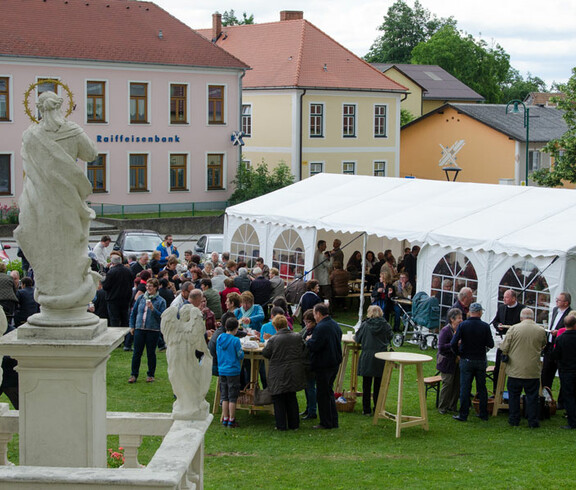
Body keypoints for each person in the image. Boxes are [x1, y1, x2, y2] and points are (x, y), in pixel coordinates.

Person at [16, 91, 100, 321]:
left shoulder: (30, 135)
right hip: (67, 200)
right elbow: (91, 153)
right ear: (59, 107)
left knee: (47, 244)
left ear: (39, 109)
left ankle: (52, 288)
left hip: (40, 202)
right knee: (71, 242)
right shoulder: (71, 130)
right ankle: (66, 289)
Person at [499, 308, 547, 428]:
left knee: (514, 396)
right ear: (533, 317)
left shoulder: (513, 329)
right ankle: (532, 421)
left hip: (515, 369)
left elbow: (504, 347)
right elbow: (543, 344)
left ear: (521, 318)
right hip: (532, 370)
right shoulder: (540, 330)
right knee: (532, 396)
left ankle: (514, 419)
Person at [451, 303, 494, 422]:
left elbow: (453, 343)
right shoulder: (485, 326)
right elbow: (491, 344)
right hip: (480, 359)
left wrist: (459, 353)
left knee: (465, 387)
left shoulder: (463, 325)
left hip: (466, 359)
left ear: (469, 312)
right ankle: (483, 413)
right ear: (480, 312)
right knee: (482, 387)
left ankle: (463, 414)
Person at [262, 314, 307, 431]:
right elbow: (303, 348)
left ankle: (281, 425)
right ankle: (294, 424)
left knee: (278, 398)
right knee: (291, 397)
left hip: (278, 372)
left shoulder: (273, 340)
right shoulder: (297, 336)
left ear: (275, 327)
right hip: (294, 371)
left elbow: (266, 353)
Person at [306, 303, 342, 429]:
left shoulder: (321, 327)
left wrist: (309, 340)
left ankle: (326, 422)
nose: (314, 317)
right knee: (328, 392)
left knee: (323, 394)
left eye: (315, 314)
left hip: (324, 364)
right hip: (334, 362)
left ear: (319, 314)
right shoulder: (334, 324)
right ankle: (333, 420)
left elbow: (315, 346)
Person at [354, 305, 393, 415]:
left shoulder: (365, 325)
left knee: (366, 385)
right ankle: (377, 407)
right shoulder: (385, 325)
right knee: (378, 384)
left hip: (367, 356)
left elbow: (357, 338)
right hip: (381, 356)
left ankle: (366, 409)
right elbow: (390, 336)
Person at [128, 278, 167, 383]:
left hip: (153, 330)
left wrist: (152, 309)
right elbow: (134, 313)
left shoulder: (161, 301)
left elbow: (162, 316)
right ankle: (133, 374)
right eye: (147, 286)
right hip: (139, 328)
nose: (148, 288)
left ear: (155, 287)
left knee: (151, 353)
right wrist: (132, 326)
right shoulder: (141, 298)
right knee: (137, 352)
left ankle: (150, 374)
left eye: (150, 286)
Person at [491, 289, 525, 392]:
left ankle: (514, 391)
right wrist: (498, 326)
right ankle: (496, 390)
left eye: (506, 297)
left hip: (515, 342)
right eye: (504, 297)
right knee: (498, 366)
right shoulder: (502, 308)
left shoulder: (522, 309)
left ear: (514, 298)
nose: (504, 299)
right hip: (502, 341)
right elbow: (495, 321)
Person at [216, 317, 244, 428]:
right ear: (236, 328)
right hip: (233, 370)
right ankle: (232, 419)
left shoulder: (219, 338)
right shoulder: (235, 340)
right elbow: (240, 355)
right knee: (233, 396)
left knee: (224, 395)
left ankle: (225, 418)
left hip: (222, 369)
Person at [542, 292, 572, 390]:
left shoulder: (570, 314)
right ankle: (545, 395)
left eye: (559, 300)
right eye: (557, 299)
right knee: (546, 372)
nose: (556, 301)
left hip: (560, 346)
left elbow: (570, 329)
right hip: (550, 344)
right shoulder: (555, 310)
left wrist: (558, 332)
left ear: (566, 303)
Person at [436, 308, 462, 414]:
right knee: (447, 384)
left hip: (457, 361)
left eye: (461, 317)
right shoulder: (445, 331)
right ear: (452, 319)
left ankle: (452, 405)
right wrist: (455, 344)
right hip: (447, 362)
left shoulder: (460, 329)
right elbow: (441, 347)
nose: (461, 320)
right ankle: (442, 407)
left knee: (457, 384)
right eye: (459, 318)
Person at [552, 314, 576, 429]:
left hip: (566, 370)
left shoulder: (560, 338)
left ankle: (572, 421)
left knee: (569, 396)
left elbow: (556, 355)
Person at [102, 254, 133, 328]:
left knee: (114, 320)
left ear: (112, 262)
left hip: (113, 299)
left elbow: (105, 286)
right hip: (125, 299)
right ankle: (125, 338)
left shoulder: (111, 272)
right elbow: (131, 284)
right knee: (124, 319)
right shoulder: (128, 271)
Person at [300, 309, 317, 420]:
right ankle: (308, 408)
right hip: (305, 362)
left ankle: (312, 411)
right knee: (307, 387)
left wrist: (307, 341)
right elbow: (299, 337)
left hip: (311, 363)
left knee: (311, 387)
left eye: (309, 322)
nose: (307, 325)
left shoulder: (316, 331)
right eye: (305, 322)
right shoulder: (307, 330)